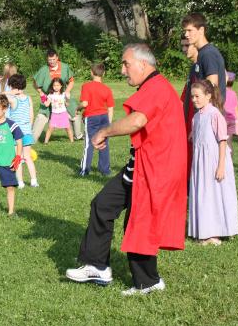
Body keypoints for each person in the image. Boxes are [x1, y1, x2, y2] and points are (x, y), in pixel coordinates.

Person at [66, 44, 187, 296]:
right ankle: (97, 267)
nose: (122, 70)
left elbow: (137, 120)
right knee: (103, 205)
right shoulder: (154, 86)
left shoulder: (157, 87)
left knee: (139, 223)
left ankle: (148, 282)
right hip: (140, 166)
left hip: (153, 171)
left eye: (126, 64)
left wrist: (104, 131)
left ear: (143, 64)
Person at [188, 80, 238, 246]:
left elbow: (222, 141)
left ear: (208, 96)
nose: (194, 100)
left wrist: (221, 166)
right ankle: (204, 230)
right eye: (192, 96)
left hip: (215, 161)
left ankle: (216, 231)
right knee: (203, 193)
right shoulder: (196, 117)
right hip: (201, 163)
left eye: (197, 96)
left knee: (214, 195)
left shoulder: (215, 114)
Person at [32, 49, 82, 142]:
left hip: (62, 96)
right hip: (49, 97)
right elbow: (35, 83)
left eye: (53, 59)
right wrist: (41, 93)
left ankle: (78, 135)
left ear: (57, 57)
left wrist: (67, 91)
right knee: (41, 116)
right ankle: (32, 138)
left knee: (74, 112)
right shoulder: (43, 69)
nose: (51, 62)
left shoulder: (65, 67)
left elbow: (71, 81)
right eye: (49, 60)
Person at [77, 62, 115, 177]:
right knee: (103, 143)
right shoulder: (107, 89)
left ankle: (84, 170)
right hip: (104, 117)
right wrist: (109, 124)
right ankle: (105, 170)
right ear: (104, 73)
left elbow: (84, 103)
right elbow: (110, 108)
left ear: (91, 73)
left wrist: (77, 108)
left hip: (91, 117)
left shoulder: (86, 86)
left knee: (89, 143)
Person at [182, 13, 226, 103]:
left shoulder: (208, 54)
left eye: (189, 30)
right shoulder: (202, 53)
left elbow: (212, 87)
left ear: (201, 30)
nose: (186, 34)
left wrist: (205, 110)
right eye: (185, 31)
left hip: (210, 110)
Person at [7, 74, 38, 188]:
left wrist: (11, 92)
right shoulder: (28, 98)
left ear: (12, 86)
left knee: (18, 158)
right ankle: (34, 181)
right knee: (28, 157)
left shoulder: (12, 99)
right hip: (27, 132)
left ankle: (20, 183)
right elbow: (31, 115)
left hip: (16, 134)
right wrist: (29, 128)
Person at [180, 36, 199, 174]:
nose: (183, 49)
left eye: (187, 45)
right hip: (188, 119)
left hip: (197, 120)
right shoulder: (193, 68)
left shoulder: (202, 68)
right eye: (182, 46)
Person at [43, 78, 74, 143]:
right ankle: (45, 142)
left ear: (61, 86)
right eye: (54, 85)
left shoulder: (63, 94)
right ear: (52, 86)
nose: (56, 87)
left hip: (63, 113)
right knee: (50, 128)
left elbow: (67, 104)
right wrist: (43, 98)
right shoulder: (50, 95)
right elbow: (47, 104)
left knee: (68, 128)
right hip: (54, 114)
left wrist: (67, 99)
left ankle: (72, 141)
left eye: (58, 85)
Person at [224, 71, 238, 155]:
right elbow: (236, 109)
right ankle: (230, 159)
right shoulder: (234, 93)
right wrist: (237, 123)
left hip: (223, 120)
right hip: (232, 120)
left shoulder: (221, 92)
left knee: (221, 142)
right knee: (229, 142)